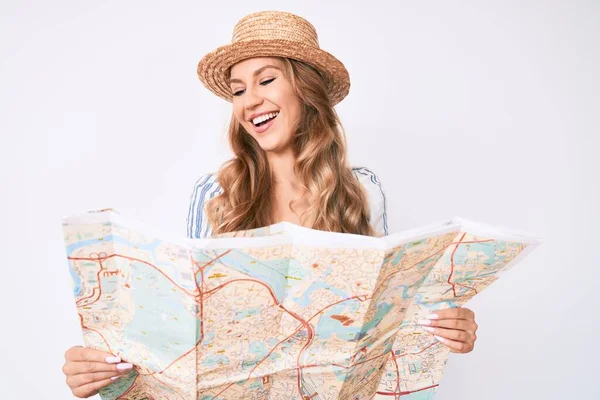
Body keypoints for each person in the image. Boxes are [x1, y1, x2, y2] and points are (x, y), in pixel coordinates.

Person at [62, 10, 478, 398]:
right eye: (238, 90)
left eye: (265, 80)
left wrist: (442, 329)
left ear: (306, 89)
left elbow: (381, 324)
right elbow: (188, 335)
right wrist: (108, 371)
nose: (249, 102)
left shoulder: (362, 190)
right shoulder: (213, 194)